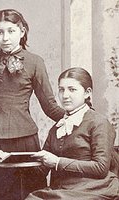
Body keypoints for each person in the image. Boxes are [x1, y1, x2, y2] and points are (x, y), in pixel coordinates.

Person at [0, 9, 65, 200]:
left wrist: (80, 118)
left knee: (30, 193)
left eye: (11, 31)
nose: (5, 38)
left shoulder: (35, 62)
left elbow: (49, 105)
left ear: (22, 31)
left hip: (25, 140)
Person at [25, 67, 119, 199]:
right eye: (61, 89)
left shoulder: (99, 123)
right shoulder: (57, 128)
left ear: (87, 93)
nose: (65, 95)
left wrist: (58, 162)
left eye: (72, 89)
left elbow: (101, 168)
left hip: (94, 189)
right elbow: (41, 170)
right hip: (63, 190)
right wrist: (9, 158)